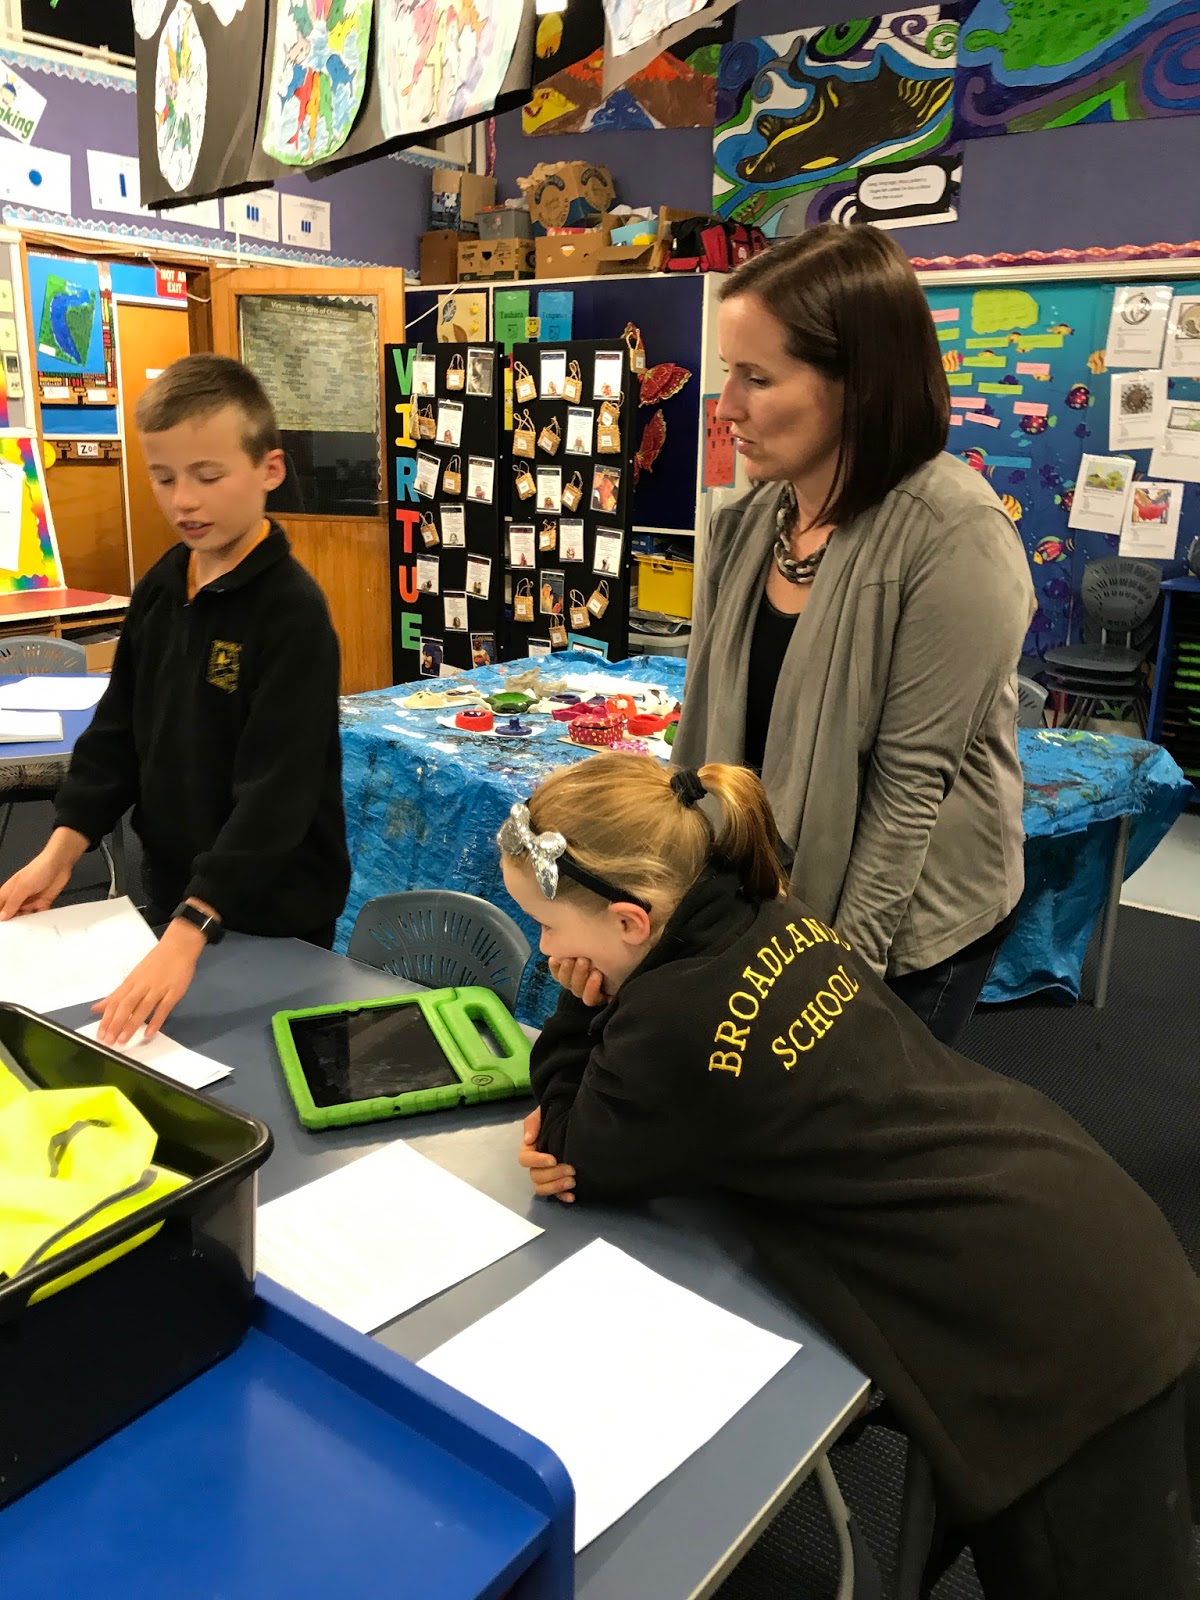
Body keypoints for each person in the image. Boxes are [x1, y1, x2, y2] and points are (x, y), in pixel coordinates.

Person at [499, 754, 1200, 1600]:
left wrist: (580, 1006)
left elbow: (573, 1150)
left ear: (630, 921)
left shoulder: (669, 1023)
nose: (546, 951)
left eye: (548, 928)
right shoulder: (764, 908)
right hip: (1083, 1222)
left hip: (1057, 1351)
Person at [672, 224, 1036, 1046]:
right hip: (772, 896)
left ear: (859, 386)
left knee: (847, 1113)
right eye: (729, 371)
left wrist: (837, 992)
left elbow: (907, 797)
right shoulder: (751, 523)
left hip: (905, 926)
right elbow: (707, 737)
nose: (727, 408)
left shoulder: (953, 535)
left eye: (758, 378)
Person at [0, 355, 350, 1044]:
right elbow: (116, 734)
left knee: (257, 1065)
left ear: (269, 470)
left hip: (272, 909)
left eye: (207, 477)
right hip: (173, 889)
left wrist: (192, 928)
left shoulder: (292, 614)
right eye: (163, 478)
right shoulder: (163, 585)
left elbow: (277, 797)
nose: (183, 500)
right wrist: (61, 850)